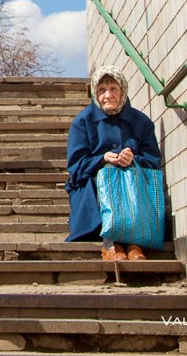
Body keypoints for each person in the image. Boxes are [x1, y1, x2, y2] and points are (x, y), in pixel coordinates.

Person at [65, 64, 162, 260]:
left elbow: (153, 160)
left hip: (133, 186)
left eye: (113, 89)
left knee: (129, 173)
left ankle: (135, 243)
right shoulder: (82, 122)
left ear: (123, 90)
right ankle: (111, 242)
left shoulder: (141, 122)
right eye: (101, 90)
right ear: (94, 92)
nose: (107, 95)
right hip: (93, 185)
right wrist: (102, 159)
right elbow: (76, 167)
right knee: (108, 172)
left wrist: (133, 159)